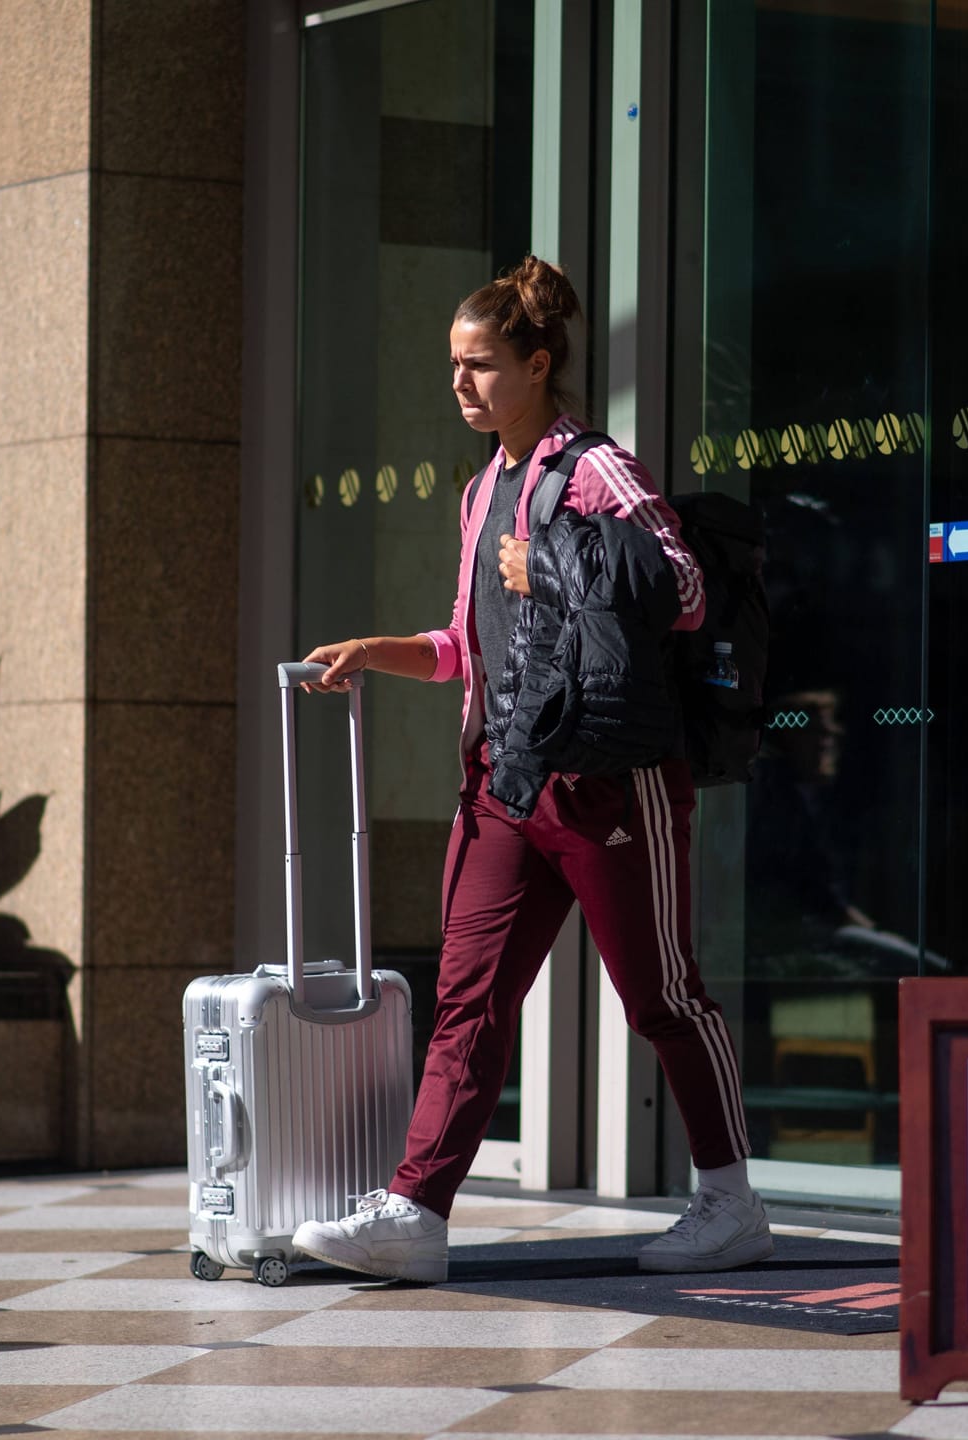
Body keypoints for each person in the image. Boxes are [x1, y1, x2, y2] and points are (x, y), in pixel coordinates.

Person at [289, 257, 771, 1282]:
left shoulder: (596, 468)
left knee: (664, 998)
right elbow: (472, 641)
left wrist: (549, 560)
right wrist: (380, 652)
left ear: (537, 364)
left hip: (609, 776)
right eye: (453, 367)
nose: (460, 385)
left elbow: (679, 586)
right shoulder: (482, 491)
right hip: (508, 781)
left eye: (481, 366)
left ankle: (731, 1201)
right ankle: (416, 1213)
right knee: (468, 997)